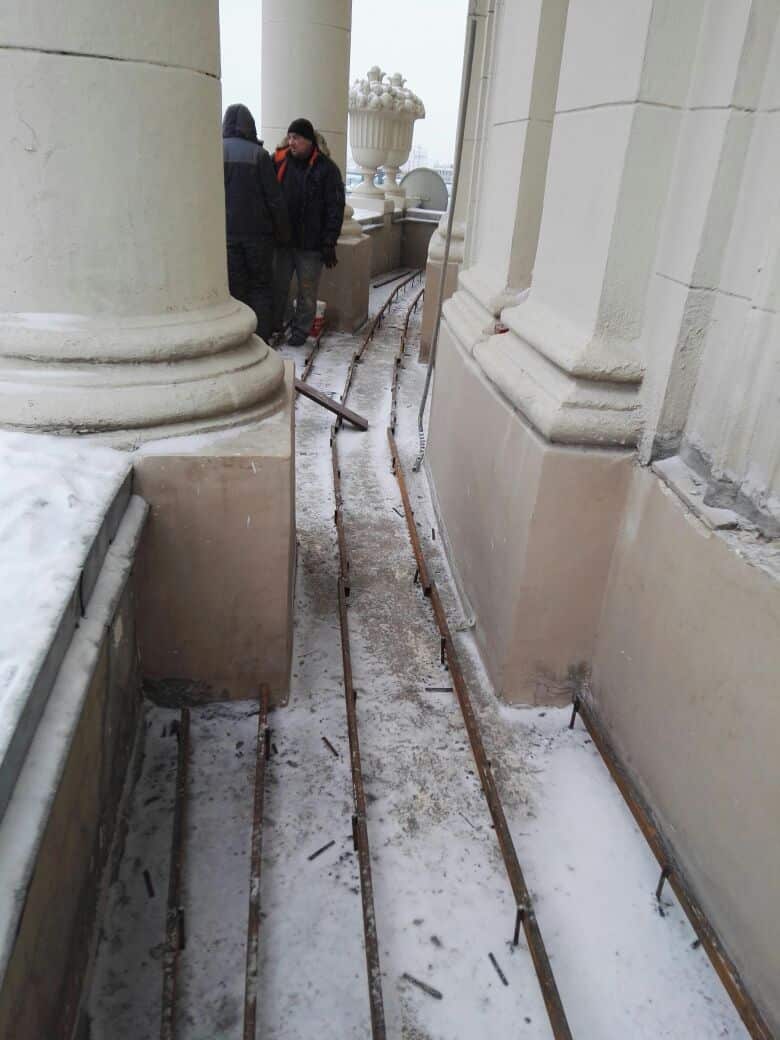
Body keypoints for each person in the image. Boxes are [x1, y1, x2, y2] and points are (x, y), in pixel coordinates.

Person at [273, 118, 345, 346]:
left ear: (309, 140)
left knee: (307, 292)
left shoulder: (327, 169)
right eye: (289, 137)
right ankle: (276, 326)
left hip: (311, 245)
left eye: (296, 138)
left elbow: (335, 208)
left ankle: (301, 331)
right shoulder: (280, 162)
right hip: (283, 242)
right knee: (278, 288)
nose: (291, 142)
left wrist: (329, 242)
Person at [222, 103, 290, 342]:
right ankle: (261, 337)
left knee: (236, 288)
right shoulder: (259, 155)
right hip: (258, 236)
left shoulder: (216, 151)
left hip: (227, 234)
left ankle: (239, 337)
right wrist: (283, 233)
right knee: (261, 287)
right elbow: (274, 199)